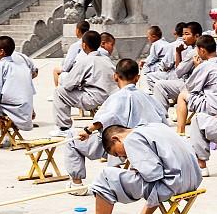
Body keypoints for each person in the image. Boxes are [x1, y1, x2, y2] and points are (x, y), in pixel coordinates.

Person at [67, 122, 203, 214]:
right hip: (192, 181)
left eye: (116, 153)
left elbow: (152, 174)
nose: (122, 157)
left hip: (171, 184)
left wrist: (134, 170)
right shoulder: (156, 127)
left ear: (116, 139)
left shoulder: (132, 139)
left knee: (106, 178)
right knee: (143, 179)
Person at [61, 58, 166, 191]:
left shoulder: (118, 97)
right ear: (137, 78)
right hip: (148, 144)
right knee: (116, 134)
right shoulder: (149, 98)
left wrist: (87, 130)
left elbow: (107, 118)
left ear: (115, 76)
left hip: (122, 145)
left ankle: (77, 184)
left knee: (72, 137)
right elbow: (162, 119)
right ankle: (116, 169)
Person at [54, 30, 115, 131]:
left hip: (94, 98)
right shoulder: (107, 59)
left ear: (84, 45)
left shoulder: (85, 61)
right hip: (110, 96)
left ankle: (64, 128)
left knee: (59, 92)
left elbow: (68, 84)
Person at [0, 36, 36, 139]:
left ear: (2, 52)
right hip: (25, 111)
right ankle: (3, 133)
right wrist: (31, 110)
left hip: (11, 110)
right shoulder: (23, 67)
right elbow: (29, 91)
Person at [174, 34, 217, 135]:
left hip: (213, 106)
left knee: (182, 95)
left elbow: (190, 87)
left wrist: (197, 67)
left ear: (202, 50)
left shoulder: (205, 65)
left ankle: (180, 131)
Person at [147, 21, 200, 110]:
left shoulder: (193, 51)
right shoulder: (194, 48)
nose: (184, 37)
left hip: (188, 83)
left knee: (159, 85)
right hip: (187, 80)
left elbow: (177, 71)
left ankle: (162, 113)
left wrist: (178, 53)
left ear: (197, 36)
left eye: (187, 34)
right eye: (183, 34)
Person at [55, 21, 91, 86]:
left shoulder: (76, 46)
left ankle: (57, 92)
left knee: (56, 71)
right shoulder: (92, 44)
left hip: (77, 75)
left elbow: (67, 66)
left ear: (78, 30)